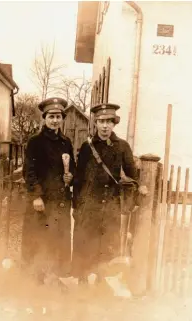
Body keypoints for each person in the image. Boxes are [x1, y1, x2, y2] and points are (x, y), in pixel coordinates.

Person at [72, 103, 138, 285]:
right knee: (85, 243)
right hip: (89, 205)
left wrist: (128, 202)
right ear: (95, 123)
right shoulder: (87, 147)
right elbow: (78, 179)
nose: (105, 126)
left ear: (114, 123)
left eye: (109, 121)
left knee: (106, 245)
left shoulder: (122, 146)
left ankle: (102, 282)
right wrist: (76, 206)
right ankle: (83, 280)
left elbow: (133, 178)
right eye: (101, 121)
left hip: (110, 206)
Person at [22, 97, 75, 285]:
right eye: (51, 116)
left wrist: (71, 177)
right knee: (39, 240)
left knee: (57, 241)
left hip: (60, 201)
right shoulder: (35, 142)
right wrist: (36, 196)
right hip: (42, 202)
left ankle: (55, 282)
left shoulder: (66, 142)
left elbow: (72, 168)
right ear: (44, 118)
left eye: (58, 116)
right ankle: (36, 282)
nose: (55, 120)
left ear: (62, 118)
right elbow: (29, 171)